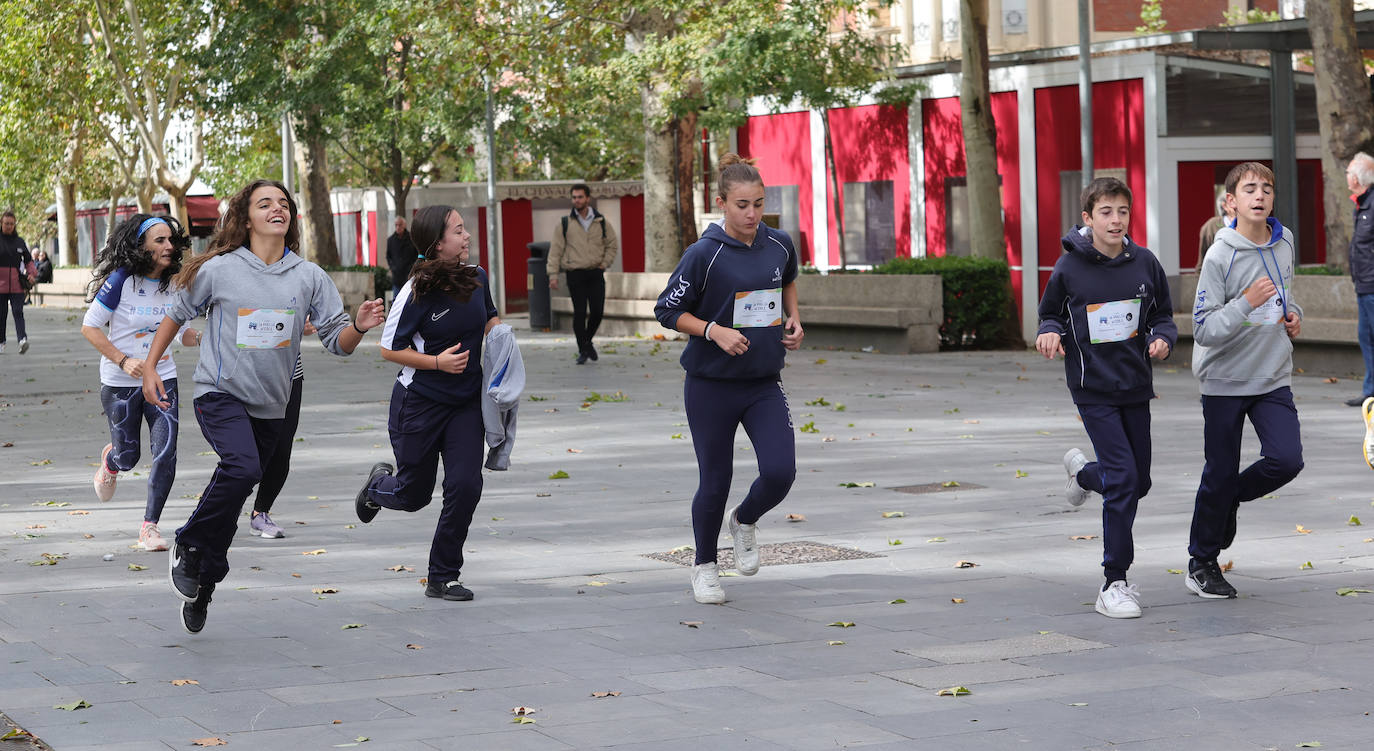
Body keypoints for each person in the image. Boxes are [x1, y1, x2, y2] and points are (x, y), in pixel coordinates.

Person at [141, 179, 385, 635]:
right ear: (247, 217)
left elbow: (338, 343)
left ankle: (203, 588)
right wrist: (152, 366)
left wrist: (359, 325)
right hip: (219, 391)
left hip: (273, 403)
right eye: (265, 203)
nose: (278, 209)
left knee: (234, 498)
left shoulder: (309, 277)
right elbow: (176, 314)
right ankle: (188, 544)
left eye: (284, 203)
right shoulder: (221, 269)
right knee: (243, 469)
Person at [653, 154, 804, 605]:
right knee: (714, 480)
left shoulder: (779, 243)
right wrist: (712, 331)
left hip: (762, 381)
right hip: (710, 384)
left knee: (781, 471)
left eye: (758, 203)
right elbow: (666, 310)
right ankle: (704, 566)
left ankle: (745, 520)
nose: (752, 214)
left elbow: (788, 281)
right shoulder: (704, 253)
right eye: (742, 205)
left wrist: (794, 319)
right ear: (721, 203)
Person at [1037, 177, 1177, 619]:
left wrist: (1162, 340)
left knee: (1139, 482)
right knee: (1122, 480)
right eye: (1105, 212)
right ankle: (1114, 581)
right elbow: (1050, 314)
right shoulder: (1069, 267)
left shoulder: (1146, 263)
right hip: (1092, 387)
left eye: (1122, 212)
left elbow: (1163, 316)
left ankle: (1082, 475)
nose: (1115, 220)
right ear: (1087, 219)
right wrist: (1049, 333)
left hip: (1135, 385)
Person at [354, 204, 502, 602]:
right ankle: (375, 489)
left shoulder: (477, 277)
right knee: (413, 495)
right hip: (418, 404)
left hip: (465, 404)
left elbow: (489, 318)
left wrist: (503, 341)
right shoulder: (415, 289)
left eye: (464, 229)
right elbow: (389, 348)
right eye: (458, 230)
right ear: (438, 244)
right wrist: (437, 362)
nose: (466, 235)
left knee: (466, 484)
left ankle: (443, 575)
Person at [1186, 161, 1304, 599]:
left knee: (1286, 460)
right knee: (1217, 471)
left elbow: (1287, 293)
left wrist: (1294, 318)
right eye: (1250, 189)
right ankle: (1201, 562)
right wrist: (1245, 303)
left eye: (1267, 189)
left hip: (1272, 374)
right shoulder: (1220, 255)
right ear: (1231, 202)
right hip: (1224, 380)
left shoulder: (1285, 241)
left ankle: (1228, 499)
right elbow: (1202, 328)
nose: (1260, 196)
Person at [82, 215, 200, 552]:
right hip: (120, 382)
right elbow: (90, 328)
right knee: (129, 456)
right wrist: (122, 359)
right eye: (159, 240)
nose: (168, 247)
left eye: (170, 241)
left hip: (164, 378)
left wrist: (209, 337)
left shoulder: (177, 284)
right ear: (141, 246)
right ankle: (111, 462)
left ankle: (150, 526)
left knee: (165, 452)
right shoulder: (121, 280)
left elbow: (183, 334)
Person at [547, 183, 617, 364]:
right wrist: (553, 275)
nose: (576, 200)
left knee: (597, 312)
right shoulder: (564, 223)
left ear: (587, 198)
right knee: (579, 312)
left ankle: (586, 342)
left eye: (580, 197)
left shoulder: (601, 221)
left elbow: (612, 245)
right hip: (575, 273)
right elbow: (555, 250)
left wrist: (604, 264)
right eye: (574, 197)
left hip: (596, 272)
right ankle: (583, 350)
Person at [1344, 154, 1374, 439]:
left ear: (1357, 178)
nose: (1346, 176)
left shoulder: (1372, 204)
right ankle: (1370, 393)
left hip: (1372, 285)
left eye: (1348, 172)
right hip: (1364, 284)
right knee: (1365, 336)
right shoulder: (1362, 204)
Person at [0, 210, 35, 354]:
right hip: (0, 285)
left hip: (16, 284)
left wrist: (32, 273)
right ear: (1, 224)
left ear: (15, 225)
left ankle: (22, 340)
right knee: (1, 314)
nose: (8, 226)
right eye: (6, 223)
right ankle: (1, 342)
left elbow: (28, 261)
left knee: (18, 311)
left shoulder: (19, 242)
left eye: (11, 224)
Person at [1196, 190, 1233, 273]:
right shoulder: (1211, 226)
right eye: (1232, 201)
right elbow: (1202, 262)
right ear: (1225, 206)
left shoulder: (1250, 224)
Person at [386, 216, 416, 300]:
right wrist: (392, 268)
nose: (398, 227)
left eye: (400, 225)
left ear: (404, 225)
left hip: (409, 276)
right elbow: (388, 256)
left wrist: (413, 268)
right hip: (397, 278)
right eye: (396, 225)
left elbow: (417, 255)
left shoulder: (412, 238)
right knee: (396, 301)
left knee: (409, 300)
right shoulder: (391, 240)